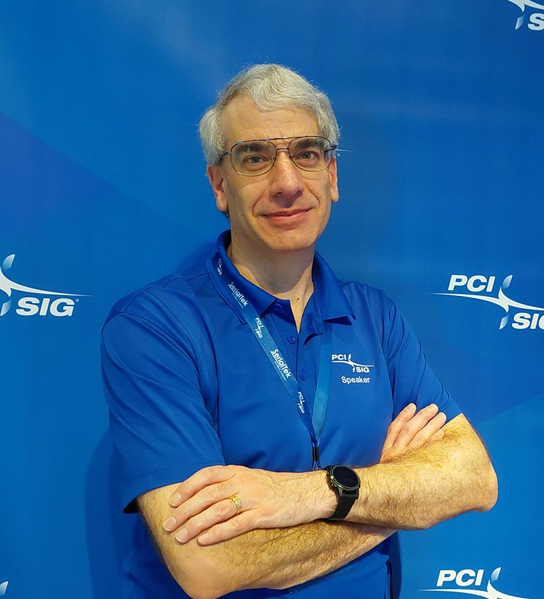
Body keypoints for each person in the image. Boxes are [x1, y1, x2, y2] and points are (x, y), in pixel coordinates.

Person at [101, 64, 497, 599]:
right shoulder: (155, 327)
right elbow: (208, 565)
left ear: (331, 175)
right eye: (255, 157)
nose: (287, 183)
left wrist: (312, 493)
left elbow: (473, 478)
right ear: (219, 184)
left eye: (306, 153)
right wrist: (392, 496)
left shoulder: (375, 317)